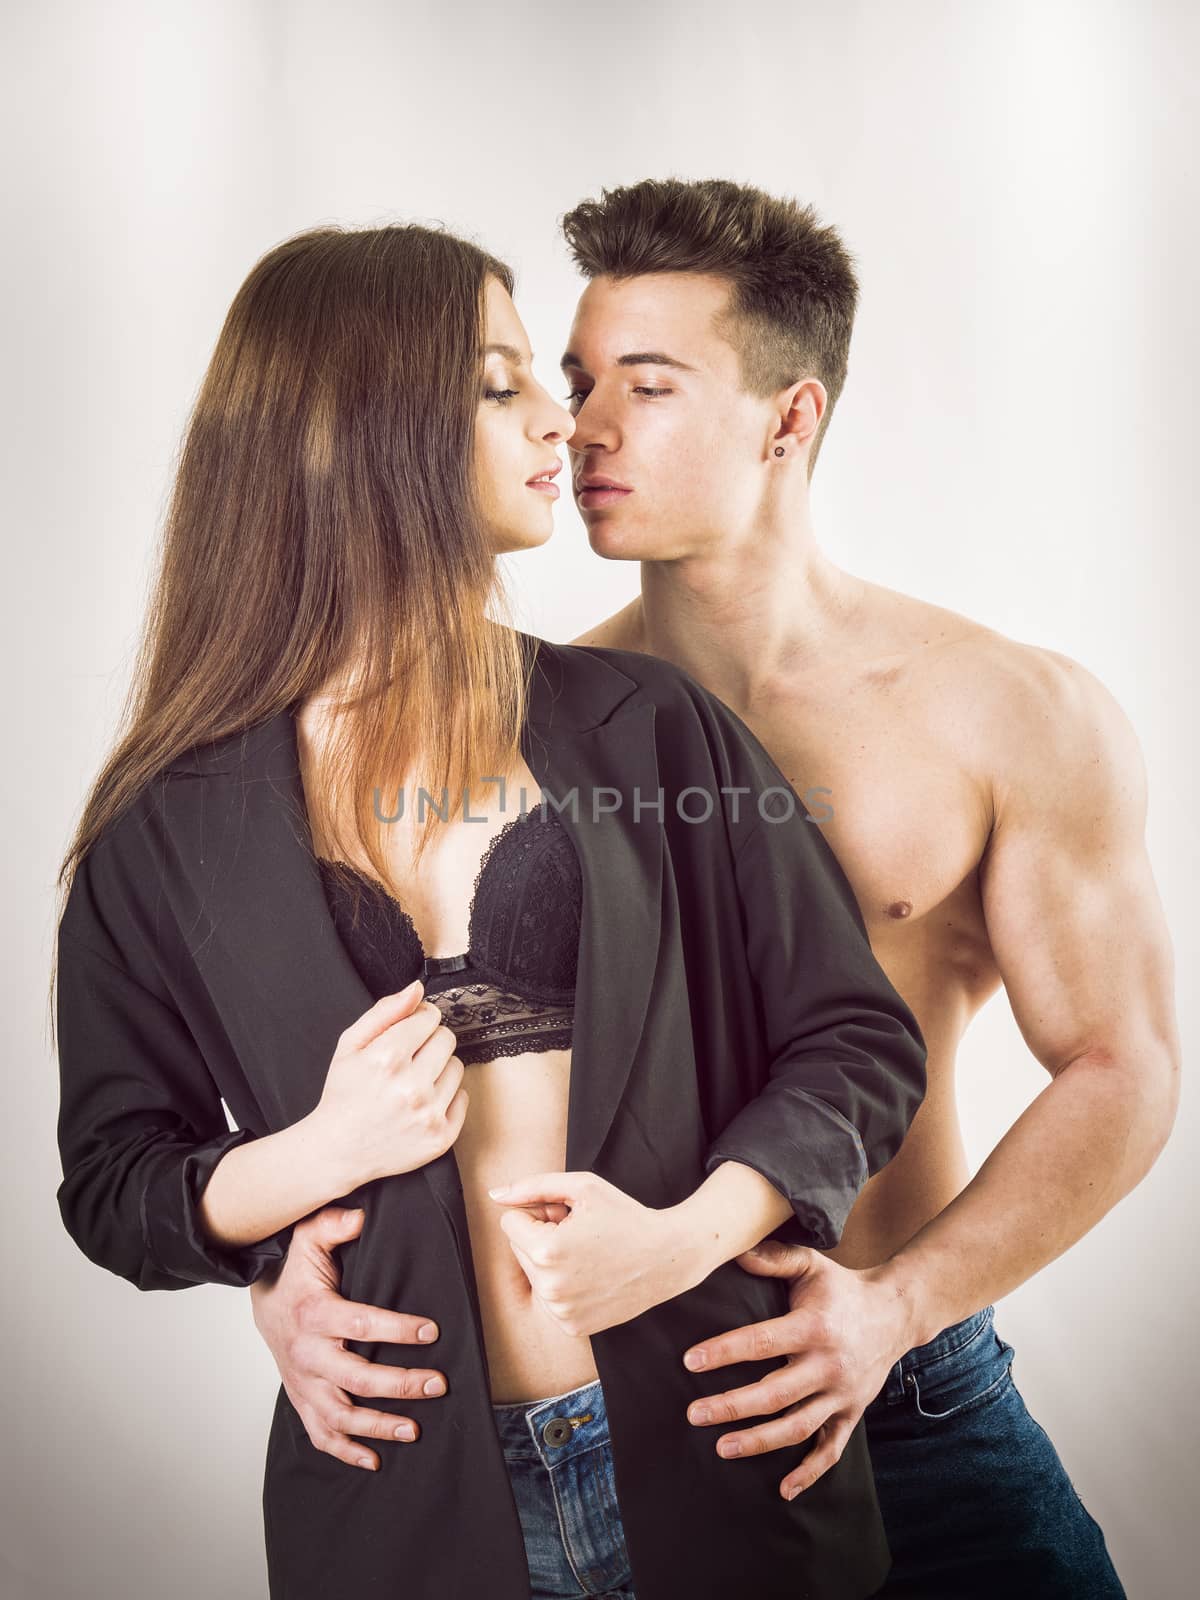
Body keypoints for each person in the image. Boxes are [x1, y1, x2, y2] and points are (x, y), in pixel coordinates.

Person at [254, 182, 1181, 1598]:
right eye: (572, 382)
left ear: (789, 418)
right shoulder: (515, 735)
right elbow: (374, 1071)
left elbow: (1123, 1069)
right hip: (623, 1416)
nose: (583, 427)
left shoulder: (1011, 714)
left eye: (650, 385)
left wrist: (894, 1309)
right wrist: (285, 1287)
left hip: (906, 1383)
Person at [51, 220, 928, 1600]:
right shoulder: (162, 832)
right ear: (354, 427)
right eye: (499, 381)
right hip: (409, 1520)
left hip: (723, 1456)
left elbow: (856, 1044)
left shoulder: (650, 730)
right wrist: (310, 1157)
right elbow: (113, 1183)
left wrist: (686, 1237)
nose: (561, 420)